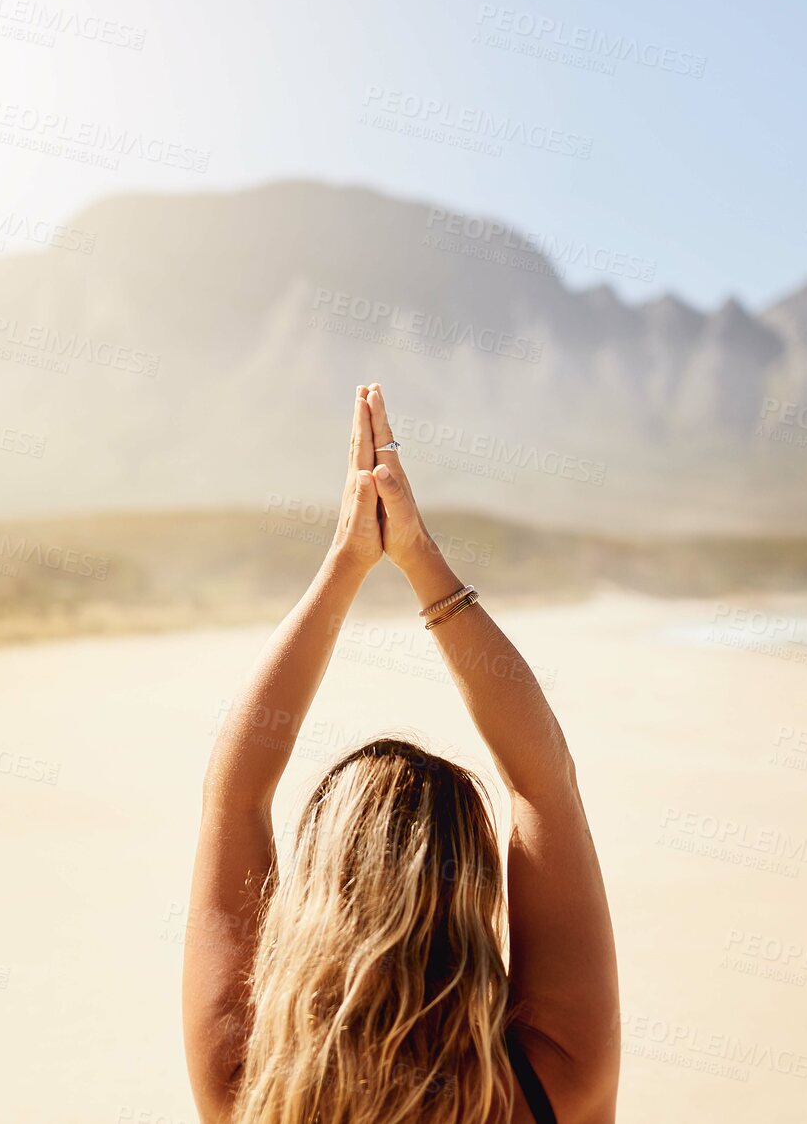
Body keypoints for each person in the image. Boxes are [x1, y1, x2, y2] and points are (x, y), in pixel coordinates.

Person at [183, 384, 620, 1123]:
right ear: (471, 885)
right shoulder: (551, 1081)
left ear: (318, 889)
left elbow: (235, 793)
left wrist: (342, 563)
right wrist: (421, 563)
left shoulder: (250, 1082)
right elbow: (546, 787)